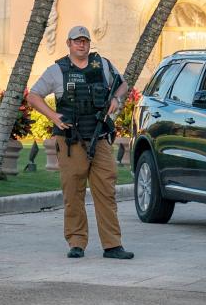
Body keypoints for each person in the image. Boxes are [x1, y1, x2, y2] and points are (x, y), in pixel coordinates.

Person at [26, 25, 134, 260]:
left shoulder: (102, 64)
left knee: (106, 191)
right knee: (73, 193)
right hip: (71, 141)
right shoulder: (57, 70)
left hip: (101, 138)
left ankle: (112, 245)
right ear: (69, 44)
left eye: (85, 41)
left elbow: (122, 84)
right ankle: (76, 242)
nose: (81, 45)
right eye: (77, 41)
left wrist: (116, 97)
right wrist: (53, 116)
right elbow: (33, 95)